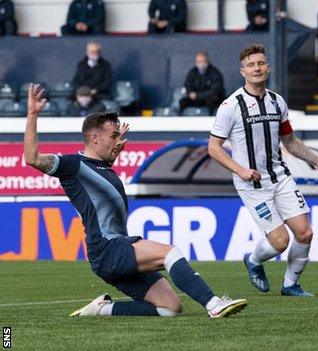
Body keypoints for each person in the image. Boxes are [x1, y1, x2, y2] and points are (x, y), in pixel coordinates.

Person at [24, 84, 247, 317]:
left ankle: (102, 309)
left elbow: (102, 187)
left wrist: (112, 152)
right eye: (113, 136)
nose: (118, 141)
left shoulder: (102, 167)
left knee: (170, 308)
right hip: (108, 249)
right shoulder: (73, 165)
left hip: (112, 253)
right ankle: (213, 304)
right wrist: (32, 114)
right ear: (93, 137)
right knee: (170, 253)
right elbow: (32, 158)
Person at [208, 43, 318, 297]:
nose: (257, 68)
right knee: (280, 241)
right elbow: (214, 148)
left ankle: (290, 285)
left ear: (268, 68)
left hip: (280, 177)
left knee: (305, 233)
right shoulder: (230, 106)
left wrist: (316, 160)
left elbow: (290, 141)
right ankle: (253, 260)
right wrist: (240, 170)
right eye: (251, 65)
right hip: (252, 184)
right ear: (242, 71)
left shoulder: (277, 101)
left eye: (261, 63)